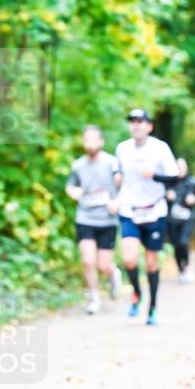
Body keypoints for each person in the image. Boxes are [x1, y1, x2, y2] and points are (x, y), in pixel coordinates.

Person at [112, 108, 179, 326]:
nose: (136, 125)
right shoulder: (122, 148)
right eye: (133, 121)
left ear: (149, 126)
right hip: (130, 209)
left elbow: (174, 177)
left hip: (154, 209)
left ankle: (153, 306)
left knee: (151, 262)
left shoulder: (160, 148)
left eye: (140, 121)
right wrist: (117, 176)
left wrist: (155, 176)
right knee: (129, 258)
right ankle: (137, 293)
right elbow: (116, 170)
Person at [66, 125, 122, 314]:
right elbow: (70, 186)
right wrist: (74, 192)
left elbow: (125, 184)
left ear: (101, 141)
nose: (89, 143)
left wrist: (117, 200)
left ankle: (113, 273)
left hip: (107, 220)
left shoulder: (112, 162)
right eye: (86, 139)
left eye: (93, 139)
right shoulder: (78, 165)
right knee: (88, 260)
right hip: (85, 218)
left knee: (103, 264)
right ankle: (94, 298)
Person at [166, 158, 195, 283]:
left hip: (188, 218)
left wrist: (194, 200)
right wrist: (167, 196)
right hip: (172, 219)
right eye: (177, 167)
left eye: (182, 167)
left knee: (183, 241)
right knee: (176, 244)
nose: (180, 170)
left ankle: (187, 267)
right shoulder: (169, 183)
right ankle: (180, 269)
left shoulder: (193, 182)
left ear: (186, 168)